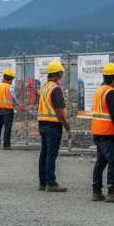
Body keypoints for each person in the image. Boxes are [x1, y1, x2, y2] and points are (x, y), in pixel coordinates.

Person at [90, 63, 114, 202]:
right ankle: (112, 192)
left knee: (100, 162)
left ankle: (97, 191)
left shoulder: (99, 91)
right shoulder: (111, 93)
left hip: (98, 133)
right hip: (107, 134)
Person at [36, 61, 71, 192]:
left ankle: (42, 182)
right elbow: (59, 110)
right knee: (51, 154)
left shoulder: (46, 87)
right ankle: (51, 182)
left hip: (42, 124)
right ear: (59, 75)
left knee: (44, 153)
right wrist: (67, 126)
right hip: (53, 125)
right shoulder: (55, 89)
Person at [0, 67, 16, 150]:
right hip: (8, 109)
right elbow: (13, 98)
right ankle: (6, 145)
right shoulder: (9, 87)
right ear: (11, 79)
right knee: (7, 128)